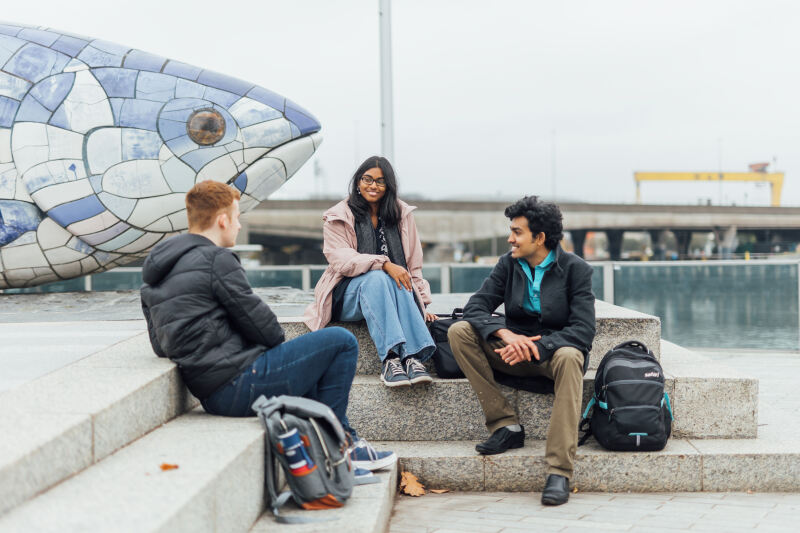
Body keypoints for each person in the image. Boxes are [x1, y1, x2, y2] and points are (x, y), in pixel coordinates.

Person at [140, 180, 396, 477]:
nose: (237, 226)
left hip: (210, 392)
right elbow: (269, 332)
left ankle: (339, 444)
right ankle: (341, 449)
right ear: (222, 220)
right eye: (236, 218)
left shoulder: (156, 272)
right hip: (238, 384)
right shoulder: (217, 261)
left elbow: (160, 345)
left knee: (314, 362)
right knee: (340, 341)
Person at [448, 196, 595, 506]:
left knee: (572, 356)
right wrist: (505, 334)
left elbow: (583, 331)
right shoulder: (509, 264)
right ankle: (505, 425)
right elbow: (476, 306)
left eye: (517, 232)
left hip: (552, 355)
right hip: (510, 351)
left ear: (539, 238)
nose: (509, 238)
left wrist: (538, 346)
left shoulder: (575, 269)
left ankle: (559, 471)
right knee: (459, 331)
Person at [304, 156, 438, 387]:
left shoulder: (402, 215)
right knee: (378, 277)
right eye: (367, 179)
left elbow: (413, 266)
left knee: (397, 279)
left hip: (392, 293)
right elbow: (342, 260)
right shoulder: (338, 215)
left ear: (388, 187)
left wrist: (422, 303)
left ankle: (413, 359)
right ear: (358, 182)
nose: (373, 185)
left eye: (380, 181)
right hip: (346, 296)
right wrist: (385, 264)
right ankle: (391, 359)